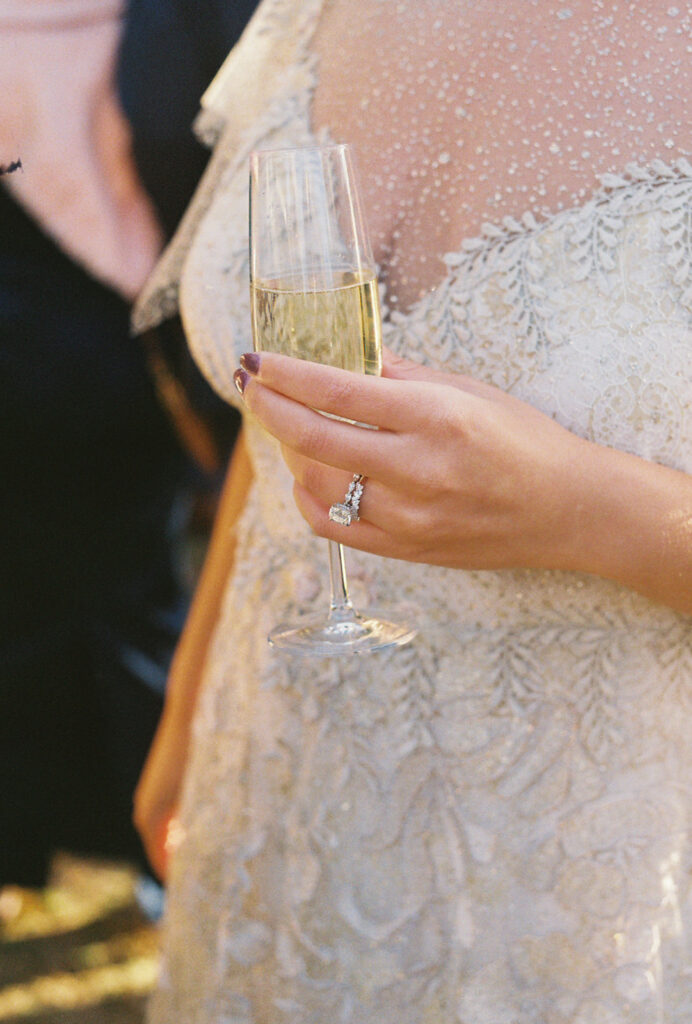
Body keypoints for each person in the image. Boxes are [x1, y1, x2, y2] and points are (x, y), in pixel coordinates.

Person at [133, 0, 692, 1020]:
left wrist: (587, 509)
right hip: (277, 816)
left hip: (588, 910)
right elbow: (287, 431)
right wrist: (190, 693)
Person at [0, 0, 256, 890]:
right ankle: (65, 840)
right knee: (55, 606)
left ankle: (154, 842)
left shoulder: (173, 22)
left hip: (110, 356)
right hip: (82, 348)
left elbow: (184, 150)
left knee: (124, 598)